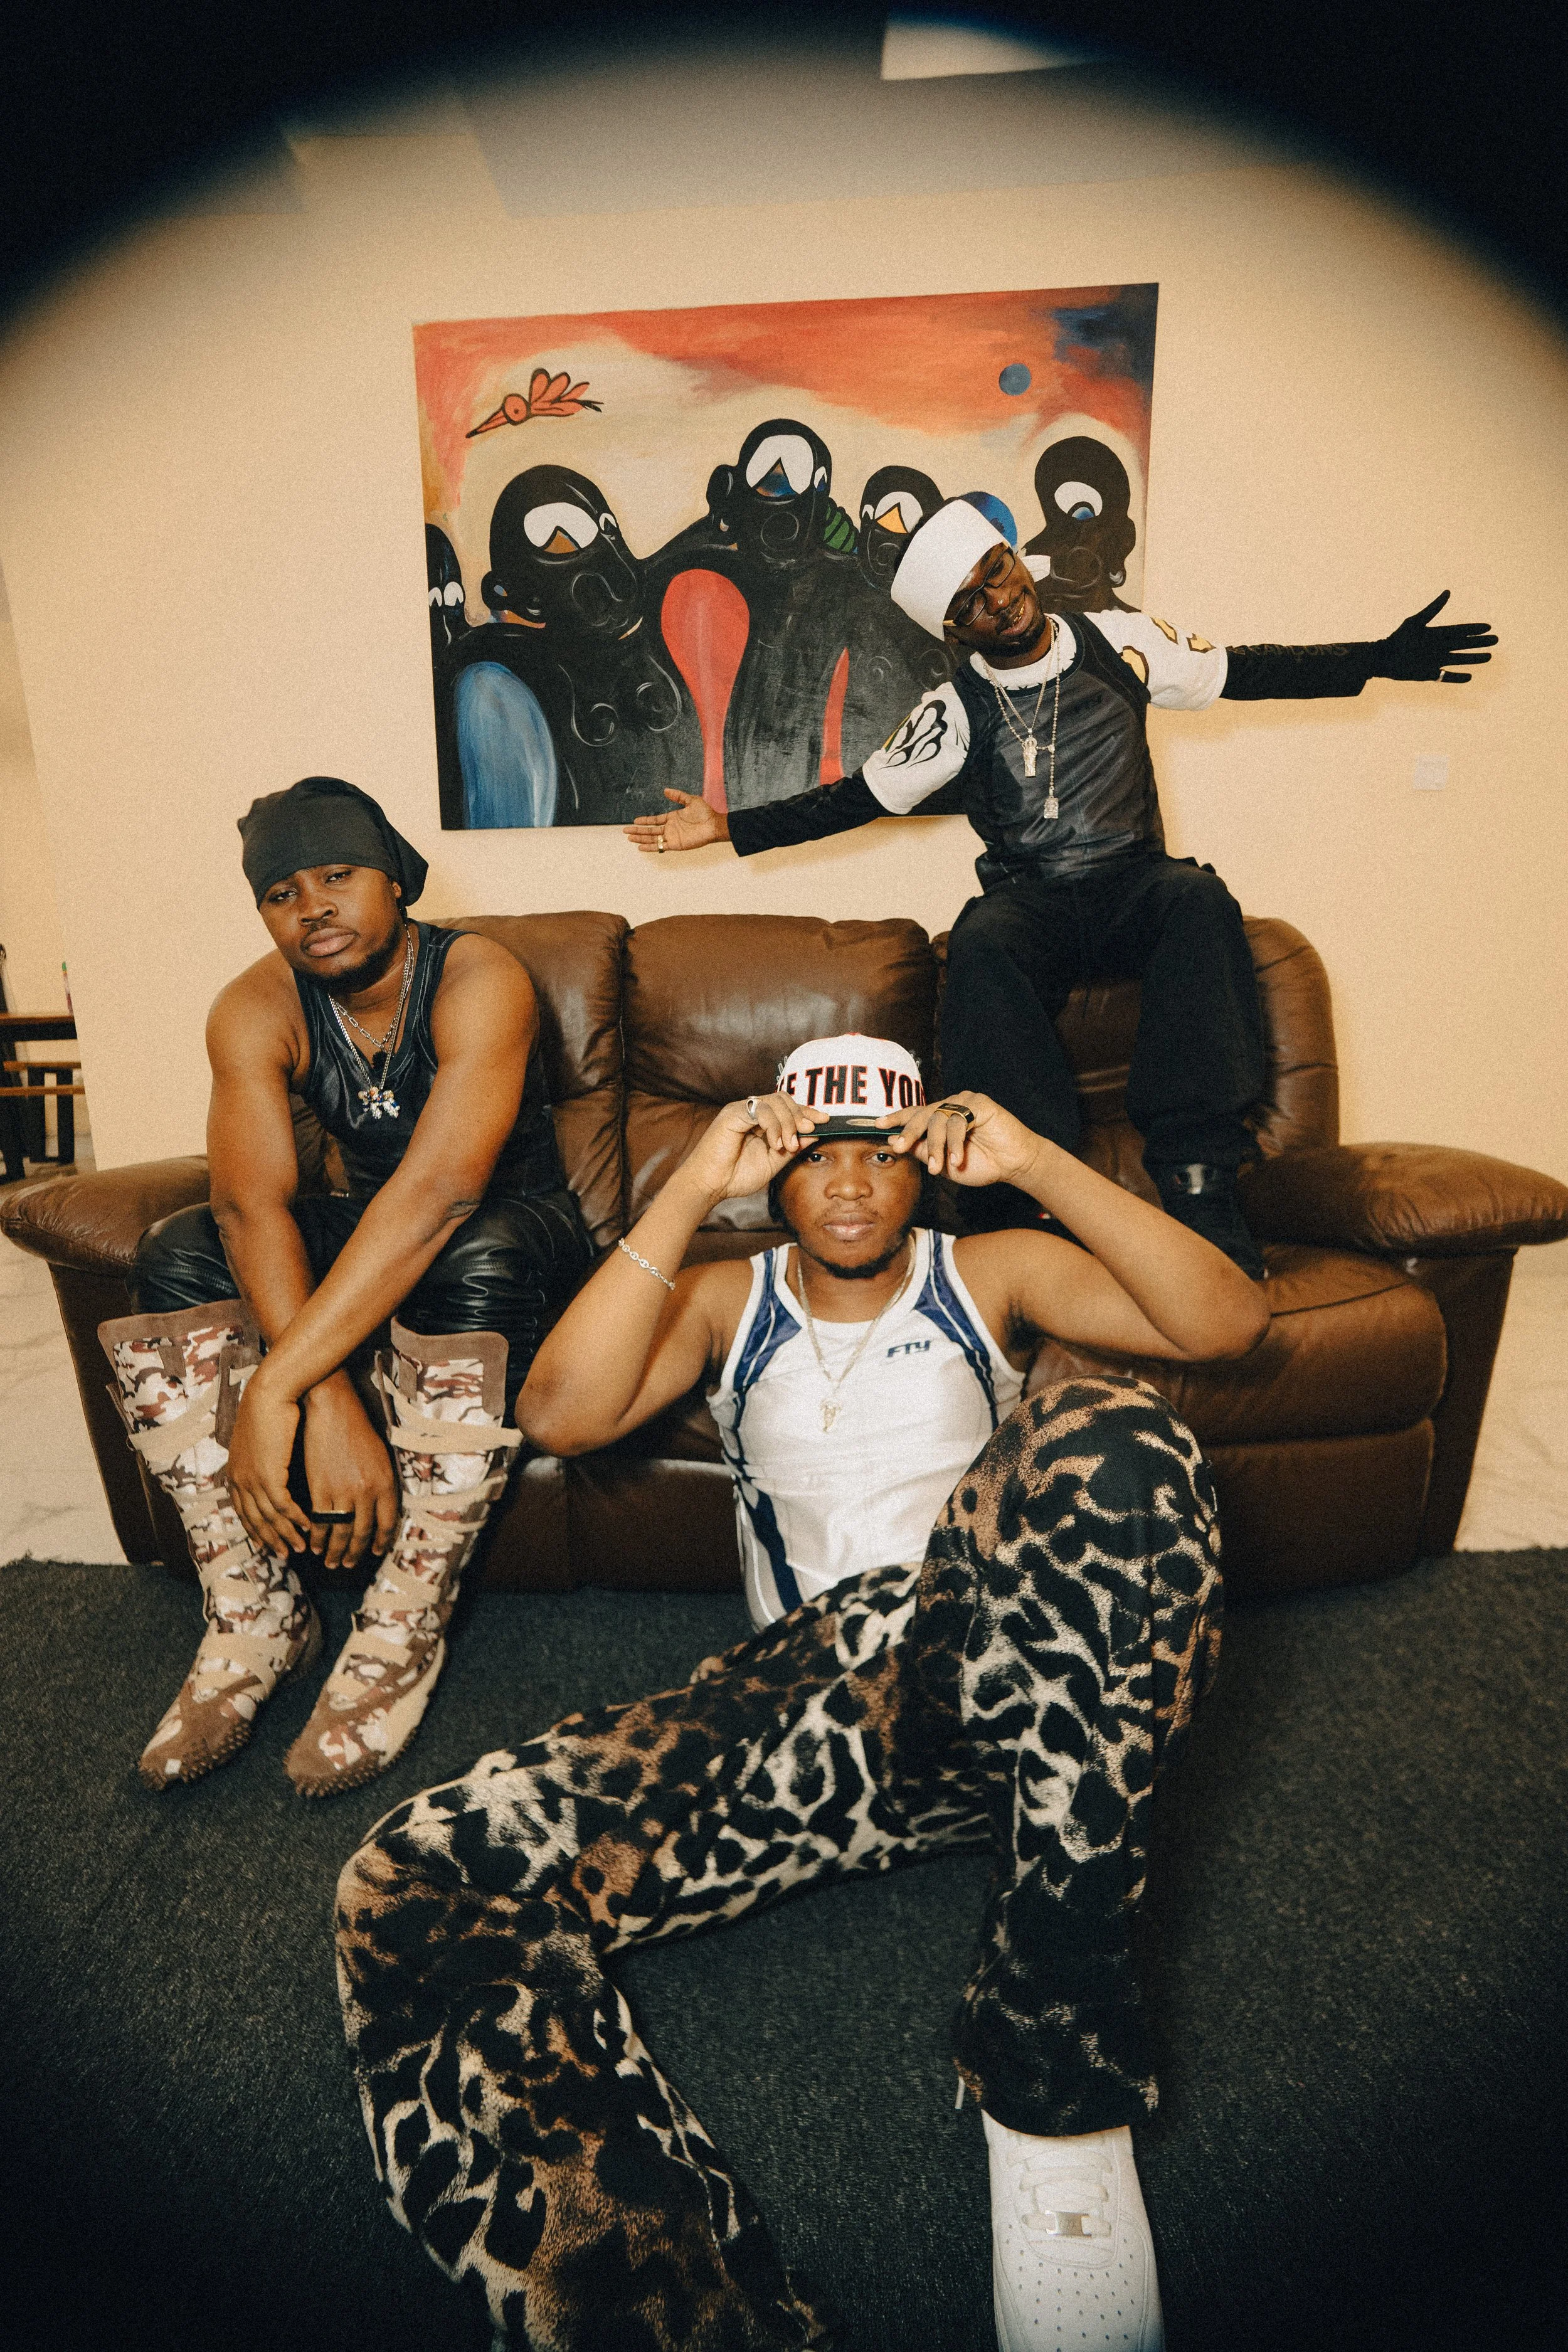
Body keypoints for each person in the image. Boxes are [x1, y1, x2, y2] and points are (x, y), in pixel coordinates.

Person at [334, 1033, 1270, 2352]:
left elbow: (1226, 1322)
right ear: (777, 1174)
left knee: (1112, 1434)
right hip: (803, 1708)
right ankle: (676, 2315)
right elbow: (557, 1415)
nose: (846, 1186)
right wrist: (687, 1185)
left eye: (878, 1156)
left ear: (921, 1169)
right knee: (414, 1878)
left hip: (1000, 1687)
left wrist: (1036, 1161)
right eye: (816, 1157)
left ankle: (1053, 2079)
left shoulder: (982, 1271)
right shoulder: (729, 1296)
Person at [625, 499, 1497, 1274]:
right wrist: (728, 823)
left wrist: (1380, 658)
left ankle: (1199, 1185)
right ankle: (1015, 1202)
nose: (995, 600)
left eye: (994, 573)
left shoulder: (1120, 640)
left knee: (1198, 898)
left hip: (1130, 882)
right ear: (955, 629)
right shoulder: (956, 707)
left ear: (1012, 557)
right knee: (982, 939)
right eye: (968, 603)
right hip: (1032, 899)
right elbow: (857, 797)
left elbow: (1245, 669)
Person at [97, 775, 591, 1796]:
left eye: (337, 875)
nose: (311, 905)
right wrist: (317, 1389)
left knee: (476, 1244)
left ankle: (403, 1618)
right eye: (281, 892)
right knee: (176, 1247)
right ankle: (257, 1609)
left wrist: (275, 1384)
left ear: (396, 882)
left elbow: (444, 1193)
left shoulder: (479, 976)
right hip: (377, 1237)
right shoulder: (253, 1008)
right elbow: (251, 1207)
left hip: (513, 1235)